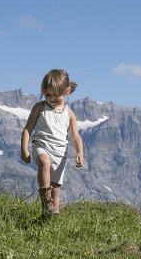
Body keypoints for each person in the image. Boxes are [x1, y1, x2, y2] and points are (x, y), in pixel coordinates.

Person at [21, 69, 84, 215]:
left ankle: (52, 220)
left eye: (57, 95)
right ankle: (45, 199)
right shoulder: (39, 108)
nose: (52, 98)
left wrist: (80, 152)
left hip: (60, 153)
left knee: (56, 190)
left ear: (67, 91)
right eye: (48, 95)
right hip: (41, 146)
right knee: (44, 162)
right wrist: (24, 149)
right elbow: (27, 129)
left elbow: (75, 136)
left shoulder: (69, 113)